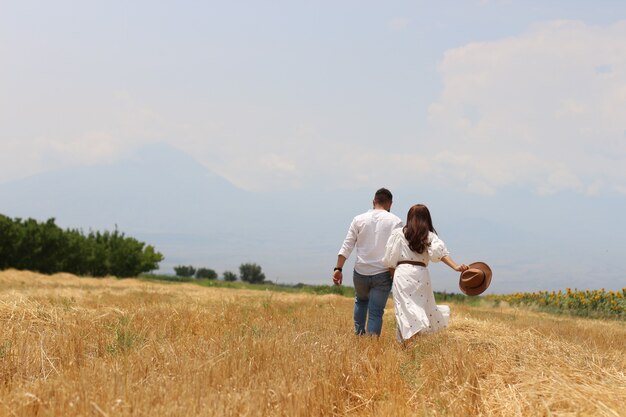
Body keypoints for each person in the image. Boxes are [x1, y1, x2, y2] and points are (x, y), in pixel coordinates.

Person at [382, 204, 468, 342]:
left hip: (402, 274)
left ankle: (408, 343)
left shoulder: (398, 234)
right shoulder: (429, 236)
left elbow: (390, 260)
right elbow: (440, 255)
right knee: (420, 306)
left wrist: (394, 277)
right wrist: (456, 266)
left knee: (404, 309)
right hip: (421, 274)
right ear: (427, 218)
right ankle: (411, 342)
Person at [333, 188, 403, 336]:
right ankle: (372, 346)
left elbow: (347, 245)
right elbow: (399, 250)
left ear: (373, 201)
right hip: (383, 273)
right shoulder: (396, 222)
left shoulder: (358, 219)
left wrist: (338, 268)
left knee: (361, 301)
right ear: (390, 204)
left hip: (360, 272)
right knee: (376, 312)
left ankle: (359, 336)